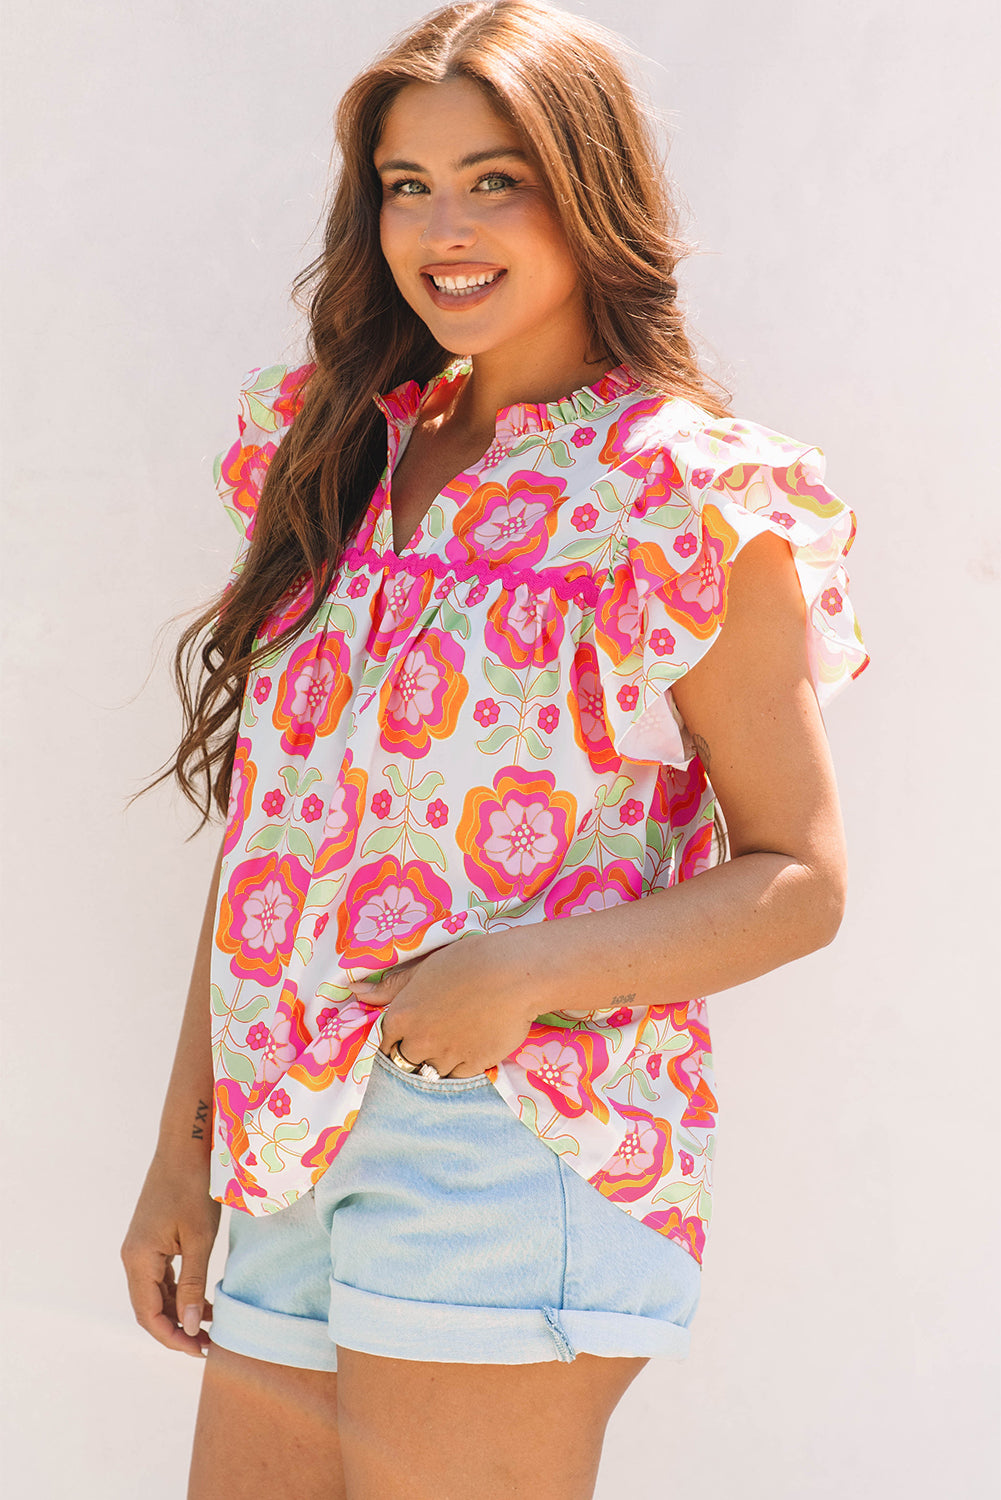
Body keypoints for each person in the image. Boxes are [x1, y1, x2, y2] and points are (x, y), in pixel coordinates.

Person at [121, 3, 869, 1496]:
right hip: (287, 1133)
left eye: (494, 181)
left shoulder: (678, 495)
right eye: (407, 186)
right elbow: (274, 838)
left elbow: (800, 880)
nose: (442, 230)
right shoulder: (336, 452)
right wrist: (183, 1149)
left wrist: (513, 975)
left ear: (587, 192)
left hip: (512, 1141)